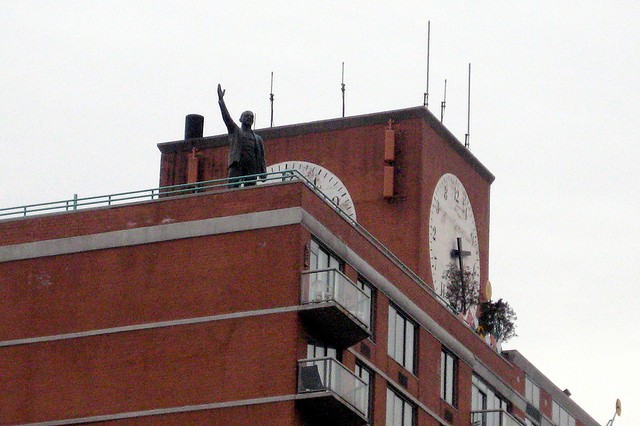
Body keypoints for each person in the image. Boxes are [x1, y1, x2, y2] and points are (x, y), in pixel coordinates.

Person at [217, 84, 266, 187]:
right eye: (246, 116)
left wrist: (263, 173)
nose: (249, 117)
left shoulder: (258, 139)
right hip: (237, 164)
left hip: (252, 166)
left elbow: (261, 157)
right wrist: (221, 101)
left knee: (251, 191)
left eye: (251, 116)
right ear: (241, 119)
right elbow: (227, 118)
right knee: (232, 189)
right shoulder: (235, 131)